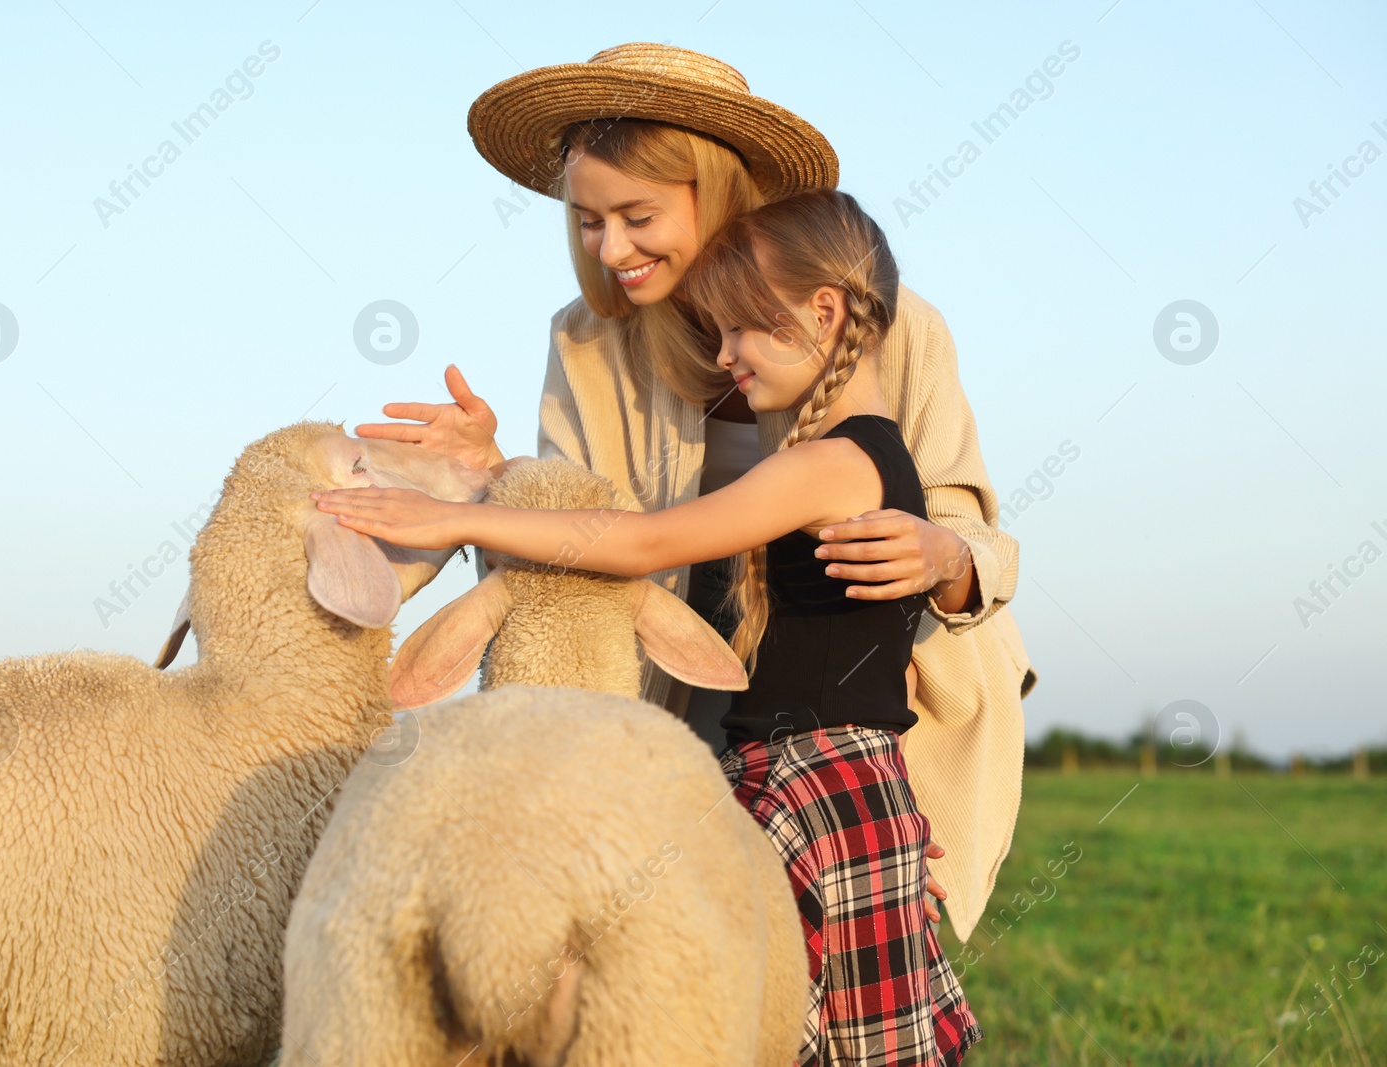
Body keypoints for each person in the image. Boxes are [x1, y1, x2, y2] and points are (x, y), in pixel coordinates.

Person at [353, 40, 1034, 1028]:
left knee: (839, 987)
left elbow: (971, 518)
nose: (610, 248)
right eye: (586, 221)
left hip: (867, 706)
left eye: (638, 216)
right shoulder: (587, 342)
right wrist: (499, 475)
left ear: (717, 196)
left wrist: (944, 556)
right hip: (683, 697)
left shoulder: (888, 326)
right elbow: (591, 531)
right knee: (699, 989)